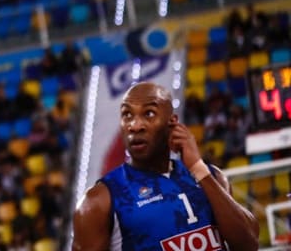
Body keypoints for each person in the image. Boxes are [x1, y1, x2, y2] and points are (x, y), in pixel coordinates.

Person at [71, 82, 258, 251]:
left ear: (172, 123)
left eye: (149, 113)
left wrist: (198, 168)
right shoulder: (100, 200)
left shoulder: (212, 176)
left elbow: (249, 244)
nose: (135, 126)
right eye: (127, 115)